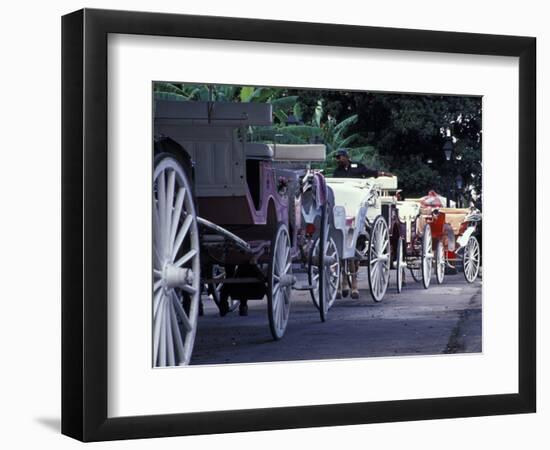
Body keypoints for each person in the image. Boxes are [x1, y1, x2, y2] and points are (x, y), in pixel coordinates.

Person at [332, 149, 394, 299]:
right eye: (337, 158)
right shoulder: (336, 173)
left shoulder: (358, 167)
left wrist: (385, 174)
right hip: (342, 209)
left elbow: (372, 172)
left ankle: (352, 284)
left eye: (340, 157)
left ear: (347, 157)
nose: (338, 160)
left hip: (357, 207)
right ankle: (343, 284)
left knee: (355, 252)